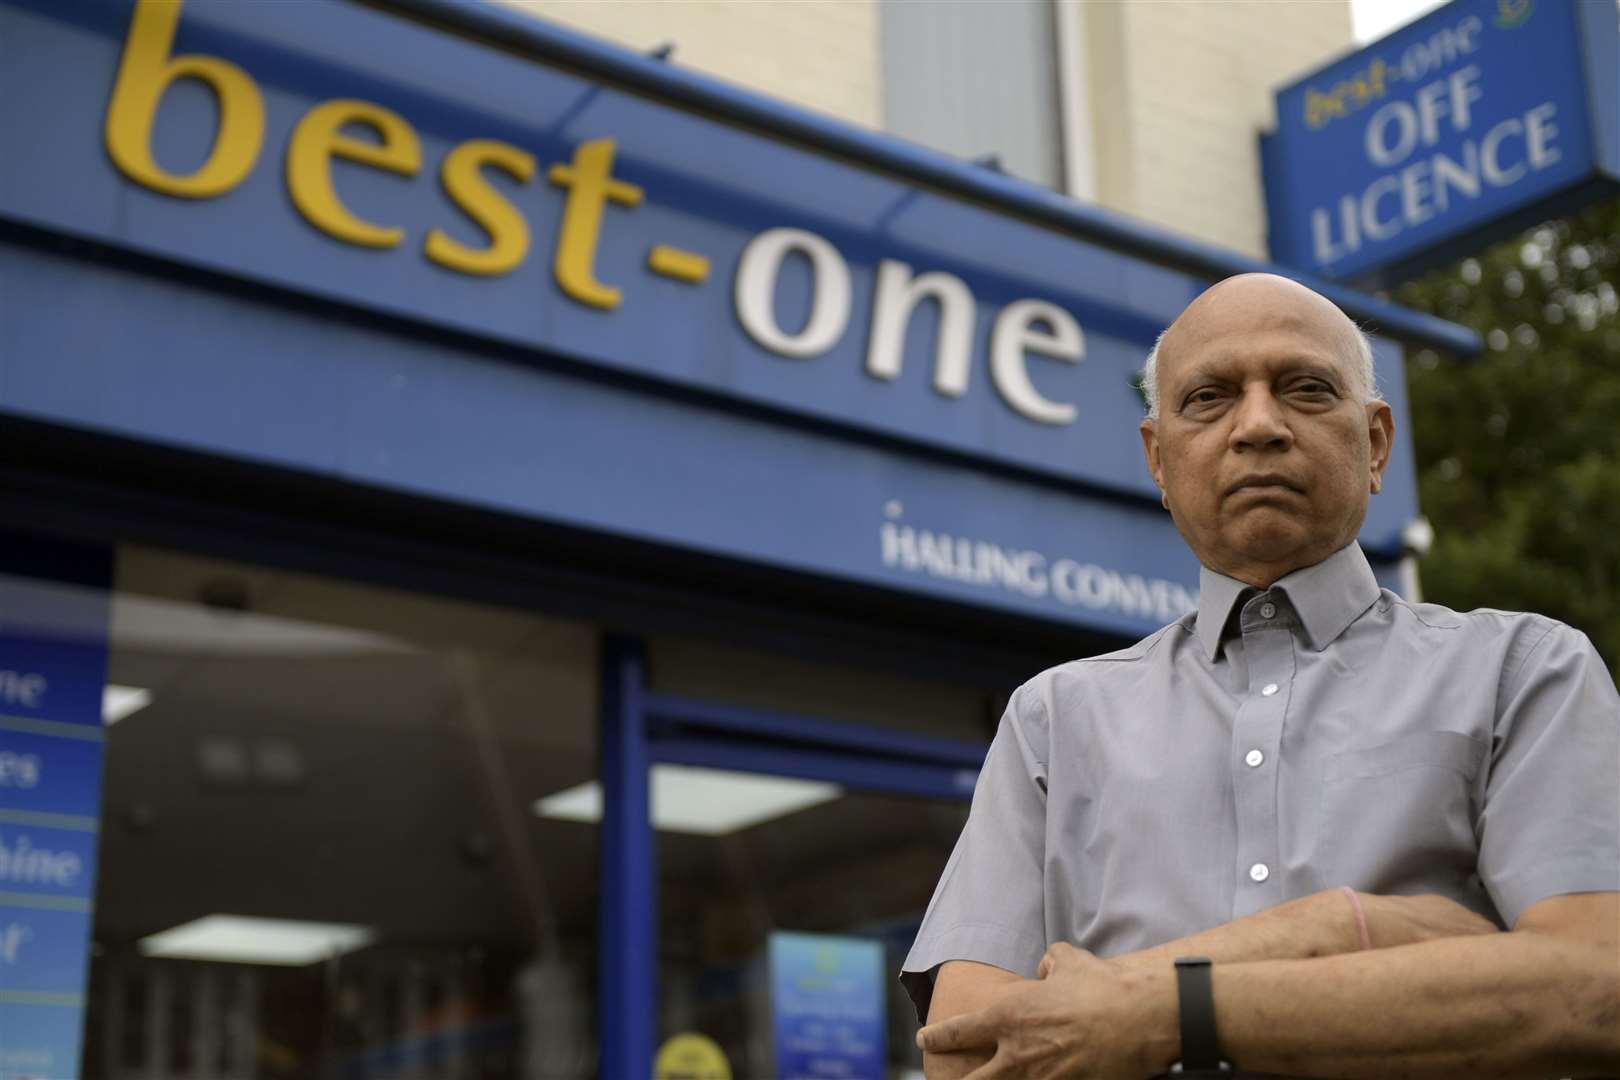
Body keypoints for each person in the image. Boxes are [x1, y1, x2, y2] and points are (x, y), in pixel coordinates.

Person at [899, 273, 1620, 1079]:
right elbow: (967, 1055)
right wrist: (1364, 932)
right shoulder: (1053, 719)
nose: (1259, 425)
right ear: (1159, 462)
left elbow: (1594, 990)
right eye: (1209, 397)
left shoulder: (1523, 671)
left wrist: (1152, 1005)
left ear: (1376, 443)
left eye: (1305, 389)